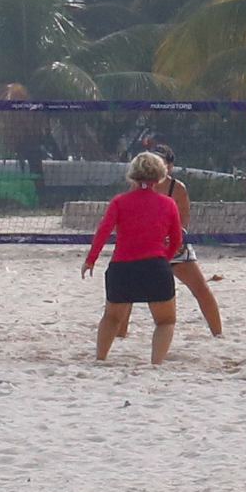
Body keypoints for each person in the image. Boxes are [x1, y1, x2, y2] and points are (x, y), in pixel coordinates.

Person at [83, 151, 190, 365]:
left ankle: (100, 358)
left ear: (132, 174)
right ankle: (156, 363)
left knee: (112, 317)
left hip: (122, 267)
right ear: (160, 175)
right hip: (155, 265)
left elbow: (103, 231)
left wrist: (91, 260)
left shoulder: (119, 201)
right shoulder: (168, 203)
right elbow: (177, 239)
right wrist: (164, 259)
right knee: (165, 321)